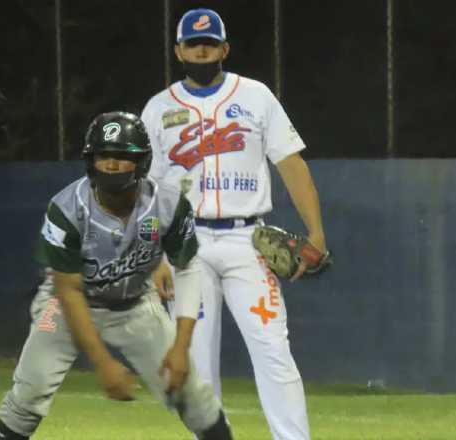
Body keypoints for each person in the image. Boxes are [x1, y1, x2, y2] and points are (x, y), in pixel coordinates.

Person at [141, 9, 328, 440]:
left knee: (274, 351)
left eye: (209, 43)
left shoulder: (257, 96)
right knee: (198, 363)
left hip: (249, 240)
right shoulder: (158, 109)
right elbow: (145, 192)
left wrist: (315, 232)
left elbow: (291, 163)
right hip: (185, 246)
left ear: (225, 48)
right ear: (178, 50)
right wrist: (153, 255)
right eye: (192, 43)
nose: (200, 50)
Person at [0, 111, 233, 440]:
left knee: (192, 396)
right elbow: (69, 290)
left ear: (142, 161)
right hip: (64, 306)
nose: (113, 164)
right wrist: (102, 363)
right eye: (105, 155)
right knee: (29, 391)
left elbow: (188, 269)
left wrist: (181, 345)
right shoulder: (66, 208)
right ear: (91, 160)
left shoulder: (167, 204)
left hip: (134, 302)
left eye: (123, 156)